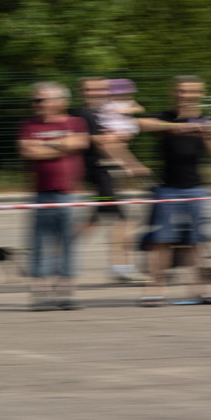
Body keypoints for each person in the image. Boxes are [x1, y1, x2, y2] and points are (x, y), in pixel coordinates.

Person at [137, 77, 211, 306]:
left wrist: (209, 134)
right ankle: (155, 291)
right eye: (181, 91)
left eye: (190, 92)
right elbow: (141, 124)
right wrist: (179, 126)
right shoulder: (165, 117)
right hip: (167, 188)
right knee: (162, 241)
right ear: (173, 92)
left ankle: (201, 290)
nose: (185, 95)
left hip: (196, 188)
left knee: (197, 241)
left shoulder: (205, 121)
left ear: (200, 93)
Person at [17, 83, 90, 311]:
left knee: (68, 245)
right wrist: (61, 145)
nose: (36, 105)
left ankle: (65, 294)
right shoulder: (28, 124)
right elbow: (27, 150)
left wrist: (45, 145)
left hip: (69, 194)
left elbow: (80, 143)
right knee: (38, 244)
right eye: (35, 101)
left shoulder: (75, 122)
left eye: (41, 100)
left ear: (60, 102)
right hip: (40, 194)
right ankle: (39, 296)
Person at [74, 77, 151, 284]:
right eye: (90, 90)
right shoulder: (85, 115)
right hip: (98, 174)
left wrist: (129, 162)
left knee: (96, 220)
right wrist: (130, 164)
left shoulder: (101, 115)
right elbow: (103, 143)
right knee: (123, 219)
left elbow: (115, 142)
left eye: (100, 89)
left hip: (105, 174)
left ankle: (56, 253)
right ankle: (121, 268)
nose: (96, 93)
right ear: (82, 92)